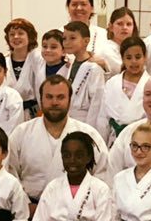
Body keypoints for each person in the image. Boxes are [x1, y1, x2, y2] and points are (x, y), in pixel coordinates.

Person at [7, 75, 109, 204]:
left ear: (69, 100)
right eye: (49, 97)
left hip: (77, 207)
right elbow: (10, 174)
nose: (54, 102)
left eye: (60, 97)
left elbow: (102, 175)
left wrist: (83, 205)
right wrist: (25, 205)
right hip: (29, 206)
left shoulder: (88, 134)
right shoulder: (21, 133)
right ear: (41, 99)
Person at [96, 36, 149, 144]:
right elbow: (103, 118)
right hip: (115, 141)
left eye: (138, 57)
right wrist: (101, 144)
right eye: (129, 58)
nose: (134, 61)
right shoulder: (112, 83)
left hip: (142, 141)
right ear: (123, 59)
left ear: (145, 57)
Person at [65, 0, 118, 74]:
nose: (79, 8)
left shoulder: (104, 35)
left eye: (83, 4)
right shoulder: (59, 34)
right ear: (68, 8)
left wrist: (104, 65)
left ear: (92, 8)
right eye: (74, 4)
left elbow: (116, 68)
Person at [63, 20, 105, 126]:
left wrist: (90, 130)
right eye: (64, 38)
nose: (67, 42)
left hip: (85, 121)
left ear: (86, 41)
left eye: (72, 38)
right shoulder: (70, 64)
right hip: (68, 119)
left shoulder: (94, 68)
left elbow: (96, 103)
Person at [4, 17, 41, 119]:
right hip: (8, 112)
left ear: (30, 36)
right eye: (12, 34)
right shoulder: (3, 61)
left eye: (20, 33)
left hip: (33, 112)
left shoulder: (39, 59)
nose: (16, 37)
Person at [32, 29, 69, 103]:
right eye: (44, 46)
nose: (48, 50)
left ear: (64, 51)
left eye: (53, 47)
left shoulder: (69, 69)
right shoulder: (38, 65)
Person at [103, 6, 139, 77]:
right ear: (111, 27)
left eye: (129, 24)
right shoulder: (106, 50)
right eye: (120, 24)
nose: (125, 28)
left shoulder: (135, 48)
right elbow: (127, 71)